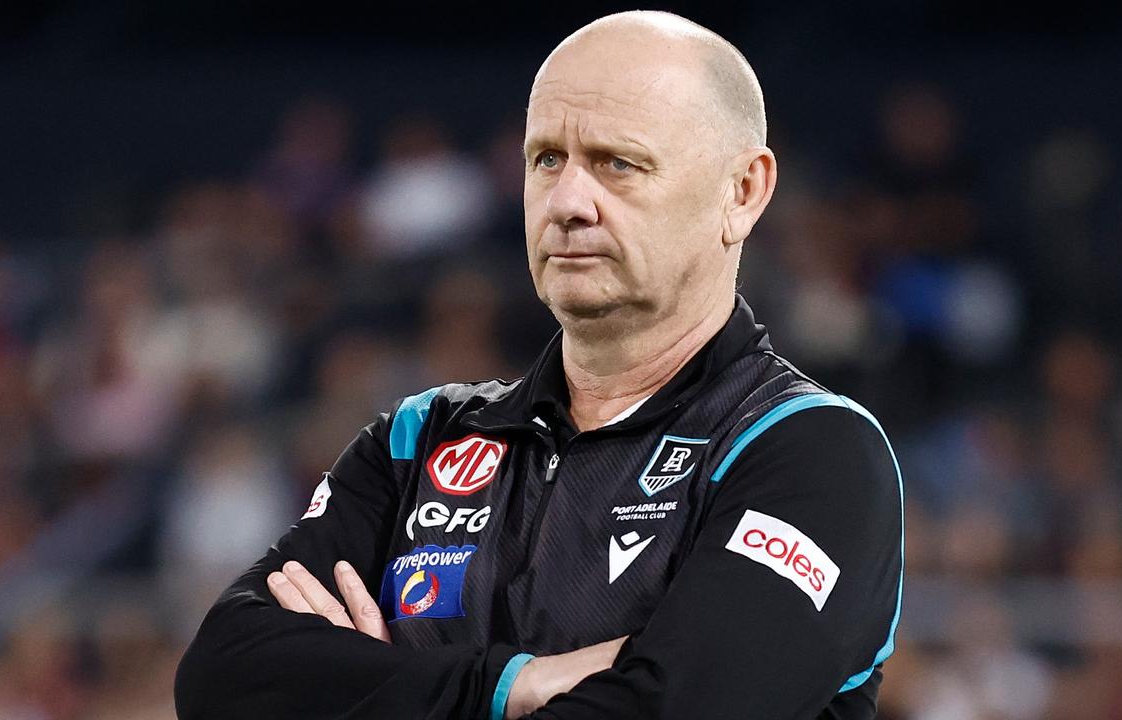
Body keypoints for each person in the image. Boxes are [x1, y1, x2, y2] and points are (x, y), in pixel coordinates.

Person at [174, 10, 903, 720]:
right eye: (546, 159)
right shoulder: (418, 440)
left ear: (742, 192)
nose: (568, 202)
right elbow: (221, 676)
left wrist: (381, 683)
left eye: (619, 163)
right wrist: (512, 685)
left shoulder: (812, 452)